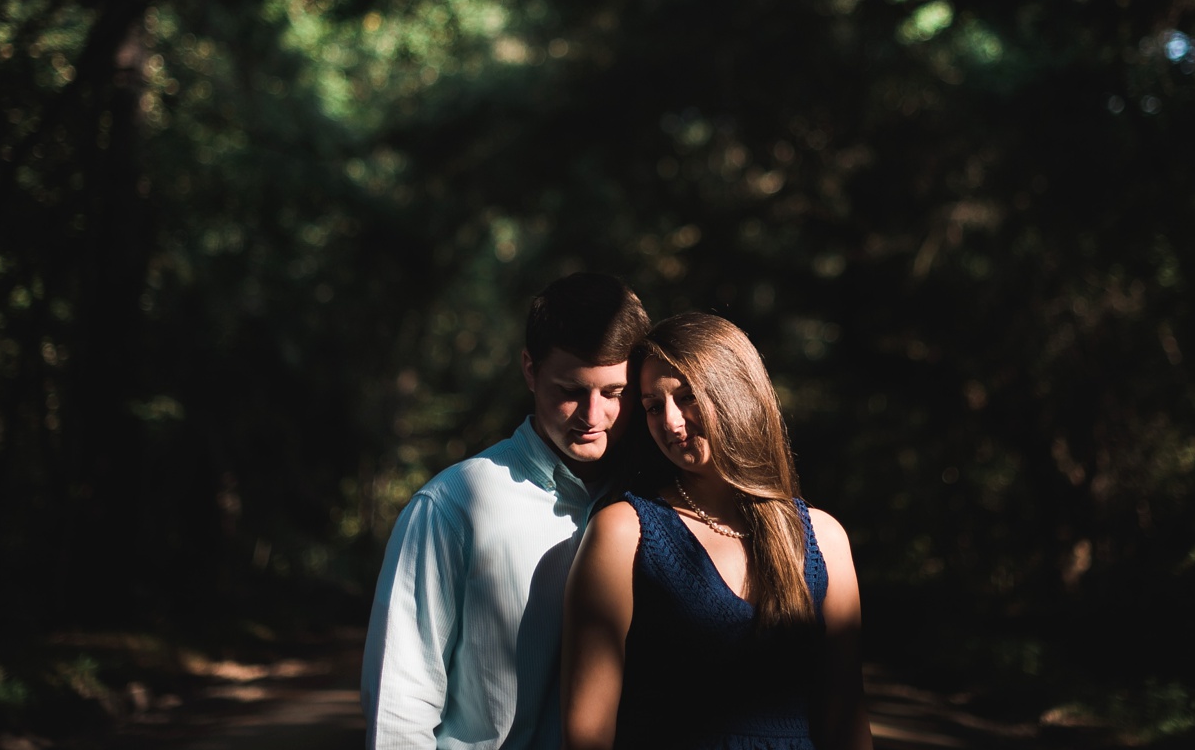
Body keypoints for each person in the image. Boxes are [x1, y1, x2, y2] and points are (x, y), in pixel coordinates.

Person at [361, 273, 651, 750]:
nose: (592, 416)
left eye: (614, 394)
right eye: (571, 390)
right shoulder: (451, 506)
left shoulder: (655, 502)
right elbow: (399, 704)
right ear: (530, 370)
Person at [561, 312, 873, 750]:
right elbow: (586, 732)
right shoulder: (625, 532)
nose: (669, 422)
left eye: (687, 396)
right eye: (653, 406)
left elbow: (845, 718)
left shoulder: (824, 540)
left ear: (737, 393)